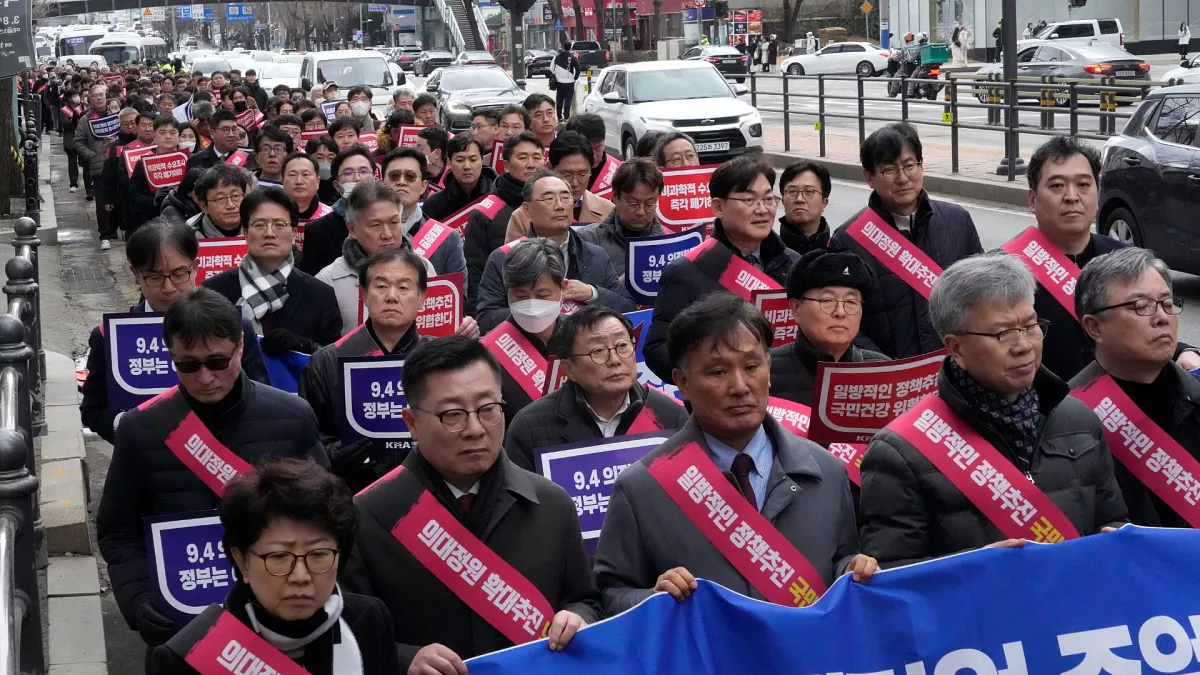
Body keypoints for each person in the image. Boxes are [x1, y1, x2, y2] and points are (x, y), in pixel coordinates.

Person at [594, 292, 876, 615]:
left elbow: (839, 564)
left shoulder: (826, 472)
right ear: (682, 382)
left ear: (769, 370)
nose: (740, 386)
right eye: (717, 372)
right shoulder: (643, 488)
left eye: (752, 366)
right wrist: (652, 599)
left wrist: (852, 572)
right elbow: (609, 594)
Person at [96, 288, 327, 665]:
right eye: (189, 365)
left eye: (217, 362)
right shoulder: (141, 430)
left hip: (283, 623)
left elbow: (327, 518)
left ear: (240, 347)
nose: (205, 377)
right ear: (170, 355)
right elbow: (116, 528)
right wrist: (137, 599)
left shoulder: (294, 417)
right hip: (183, 632)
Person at [340, 335, 600, 670]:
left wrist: (578, 618)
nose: (475, 429)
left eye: (488, 409)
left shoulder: (552, 504)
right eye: (452, 415)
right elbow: (347, 635)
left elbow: (586, 599)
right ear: (412, 423)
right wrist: (404, 660)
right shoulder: (369, 516)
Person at [858, 253, 1128, 568]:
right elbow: (893, 573)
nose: (1024, 345)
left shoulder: (1078, 420)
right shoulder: (902, 451)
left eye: (1030, 326)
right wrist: (980, 569)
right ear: (956, 348)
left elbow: (1114, 521)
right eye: (1002, 334)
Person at [151, 458, 399, 675]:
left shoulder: (368, 620)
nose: (300, 576)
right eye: (279, 556)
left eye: (319, 554)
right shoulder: (189, 656)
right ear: (241, 561)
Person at [78, 219, 271, 444]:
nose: (168, 287)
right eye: (155, 277)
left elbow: (261, 395)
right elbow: (93, 410)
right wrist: (128, 425)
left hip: (226, 459)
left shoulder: (235, 327)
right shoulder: (108, 337)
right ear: (136, 274)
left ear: (195, 266)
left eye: (179, 274)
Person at [1070, 247, 1200, 528]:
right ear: (1094, 327)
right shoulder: (1065, 422)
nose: (1162, 317)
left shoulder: (1195, 396)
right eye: (1140, 306)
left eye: (1167, 303)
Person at [830, 123, 982, 358]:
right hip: (891, 374)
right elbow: (843, 318)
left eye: (909, 166)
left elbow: (980, 297)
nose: (902, 178)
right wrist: (883, 366)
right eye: (889, 170)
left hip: (955, 366)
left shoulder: (957, 221)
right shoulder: (848, 239)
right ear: (869, 177)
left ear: (921, 166)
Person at [644, 155, 801, 384]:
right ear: (718, 206)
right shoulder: (687, 271)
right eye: (749, 200)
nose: (762, 210)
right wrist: (713, 371)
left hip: (787, 396)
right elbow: (658, 350)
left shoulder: (794, 264)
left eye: (769, 199)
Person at [301, 248, 433, 492]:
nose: (391, 296)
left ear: (422, 297)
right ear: (364, 293)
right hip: (349, 494)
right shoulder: (326, 361)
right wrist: (332, 455)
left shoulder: (440, 360)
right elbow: (308, 439)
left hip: (427, 490)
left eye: (404, 288)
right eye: (381, 287)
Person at [505, 305, 688, 472]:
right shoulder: (529, 427)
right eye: (598, 351)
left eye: (622, 346)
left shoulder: (670, 415)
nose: (615, 360)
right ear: (569, 369)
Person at [478, 172, 634, 332]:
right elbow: (486, 319)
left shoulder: (596, 255)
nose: (560, 206)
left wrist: (591, 293)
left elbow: (628, 307)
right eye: (548, 199)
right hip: (529, 349)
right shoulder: (503, 257)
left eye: (566, 198)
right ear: (527, 210)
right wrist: (538, 310)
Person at [203, 188, 341, 353]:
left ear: (294, 234)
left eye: (279, 225)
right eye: (259, 225)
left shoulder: (320, 294)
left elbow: (333, 358)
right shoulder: (213, 291)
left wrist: (303, 345)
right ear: (246, 233)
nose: (269, 233)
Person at [316, 180, 436, 336]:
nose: (387, 234)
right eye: (375, 225)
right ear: (352, 229)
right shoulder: (328, 280)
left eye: (394, 222)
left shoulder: (425, 268)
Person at [770, 250, 887, 406]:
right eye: (827, 300)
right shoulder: (766, 370)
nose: (840, 312)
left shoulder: (881, 370)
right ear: (796, 308)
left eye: (851, 302)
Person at [464, 132, 545, 314]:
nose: (531, 164)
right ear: (506, 165)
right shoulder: (485, 213)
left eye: (536, 157)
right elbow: (474, 270)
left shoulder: (559, 203)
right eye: (522, 157)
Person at [380, 147, 468, 283]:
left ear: (423, 186)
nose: (401, 181)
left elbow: (457, 295)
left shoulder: (448, 239)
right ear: (382, 183)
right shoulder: (365, 233)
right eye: (394, 176)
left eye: (410, 176)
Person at [506, 132, 612, 240]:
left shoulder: (608, 211)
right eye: (567, 174)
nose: (575, 183)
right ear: (550, 168)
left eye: (582, 174)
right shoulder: (523, 216)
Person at [578, 158, 667, 278]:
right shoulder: (589, 240)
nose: (641, 212)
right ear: (615, 196)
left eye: (649, 204)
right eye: (633, 204)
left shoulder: (670, 240)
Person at [299, 146, 376, 276]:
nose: (357, 178)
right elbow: (311, 279)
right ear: (336, 185)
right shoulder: (318, 229)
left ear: (375, 178)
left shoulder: (391, 220)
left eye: (364, 171)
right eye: (348, 173)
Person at [422, 133, 497, 223]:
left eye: (473, 159)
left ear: (481, 160)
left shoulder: (499, 197)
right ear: (450, 162)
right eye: (460, 160)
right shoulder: (434, 204)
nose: (467, 166)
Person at [126, 115, 183, 234]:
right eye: (162, 132)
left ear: (178, 135)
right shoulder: (143, 163)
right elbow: (133, 198)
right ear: (154, 135)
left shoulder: (189, 160)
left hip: (182, 221)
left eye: (172, 132)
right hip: (152, 223)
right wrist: (154, 200)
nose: (168, 137)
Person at [76, 84, 116, 215]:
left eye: (101, 95)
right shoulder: (85, 120)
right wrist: (92, 155)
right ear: (90, 100)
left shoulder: (116, 116)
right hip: (98, 166)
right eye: (95, 96)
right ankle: (104, 233)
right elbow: (78, 142)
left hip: (116, 162)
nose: (99, 98)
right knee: (102, 203)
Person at [778, 161, 832, 256]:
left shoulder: (838, 251)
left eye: (809, 191)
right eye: (792, 191)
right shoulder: (767, 253)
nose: (799, 199)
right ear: (783, 201)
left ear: (824, 202)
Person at [188, 163, 255, 239]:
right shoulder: (189, 236)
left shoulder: (260, 226)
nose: (231, 205)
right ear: (204, 206)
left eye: (235, 196)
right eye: (221, 199)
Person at [564, 113, 618, 196]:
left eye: (598, 148)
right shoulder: (559, 169)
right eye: (588, 149)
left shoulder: (619, 172)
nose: (593, 156)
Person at [283, 153, 334, 226]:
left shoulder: (330, 217)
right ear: (282, 182)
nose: (299, 181)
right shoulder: (272, 215)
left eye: (305, 175)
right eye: (292, 175)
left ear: (317, 182)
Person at [59, 88, 86, 195]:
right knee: (72, 162)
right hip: (71, 139)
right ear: (69, 98)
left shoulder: (83, 107)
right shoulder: (65, 110)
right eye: (74, 96)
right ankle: (73, 184)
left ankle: (88, 185)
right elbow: (66, 124)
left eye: (78, 95)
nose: (77, 98)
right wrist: (74, 119)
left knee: (85, 162)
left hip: (83, 138)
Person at [252, 124, 294, 188]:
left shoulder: (296, 186)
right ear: (256, 157)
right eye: (266, 149)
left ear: (289, 156)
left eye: (278, 149)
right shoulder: (246, 184)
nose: (272, 154)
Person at [552, 41, 581, 120]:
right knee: (568, 99)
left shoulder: (557, 57)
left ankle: (559, 116)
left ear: (563, 47)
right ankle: (566, 116)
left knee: (559, 99)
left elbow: (551, 69)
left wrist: (558, 75)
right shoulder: (572, 57)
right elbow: (578, 69)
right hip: (570, 82)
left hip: (559, 82)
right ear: (570, 47)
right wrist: (575, 78)